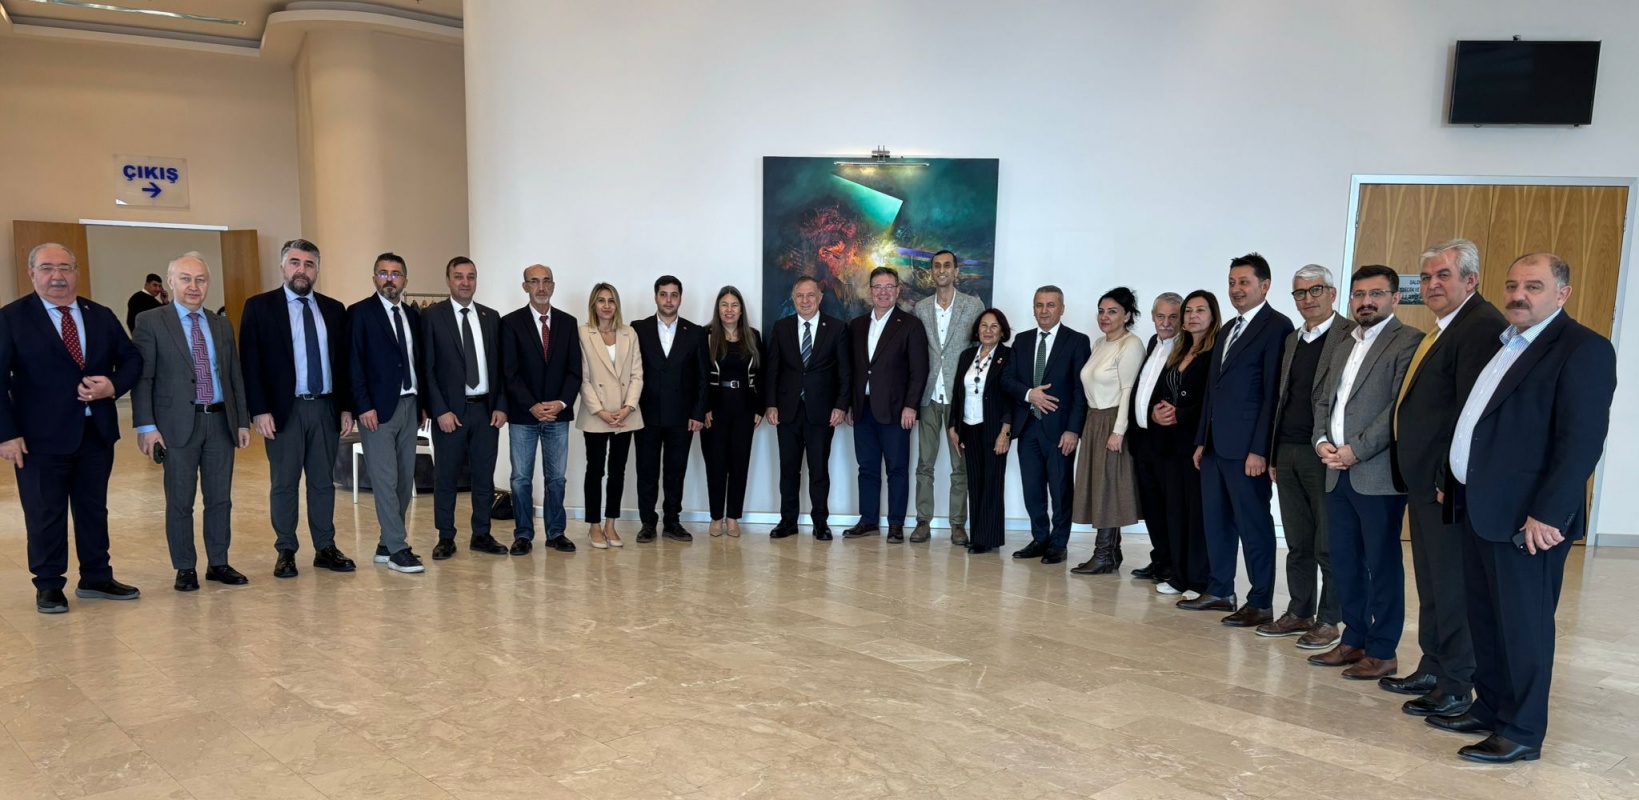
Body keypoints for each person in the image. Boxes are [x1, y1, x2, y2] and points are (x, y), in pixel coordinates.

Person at [1430, 253, 1615, 765]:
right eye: (1512, 285)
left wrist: (1549, 513)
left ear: (1562, 294)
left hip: (1527, 520)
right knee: (1486, 619)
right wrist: (1453, 478)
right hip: (1481, 508)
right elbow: (1477, 420)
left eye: (1533, 286)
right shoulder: (1506, 343)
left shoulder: (1583, 348)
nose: (1518, 295)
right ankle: (1490, 709)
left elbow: (1582, 441)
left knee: (1523, 627)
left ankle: (1522, 731)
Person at [1386, 239, 1506, 714]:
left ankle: (1457, 683)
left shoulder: (1480, 326)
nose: (1432, 284)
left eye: (1443, 275)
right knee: (1433, 582)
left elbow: (1468, 413)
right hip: (1422, 482)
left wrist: (1445, 478)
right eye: (1426, 277)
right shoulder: (1445, 327)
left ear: (1470, 280)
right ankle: (1433, 665)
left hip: (1445, 486)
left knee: (1453, 586)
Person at [0, 243, 143, 613]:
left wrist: (112, 385)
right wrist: (6, 433)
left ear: (77, 273)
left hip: (96, 434)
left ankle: (96, 577)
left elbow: (131, 359)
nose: (57, 276)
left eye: (65, 268)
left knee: (93, 509)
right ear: (32, 273)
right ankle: (49, 584)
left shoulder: (100, 315)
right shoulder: (12, 318)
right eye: (47, 268)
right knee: (45, 514)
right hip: (38, 439)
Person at [1305, 265, 1421, 680]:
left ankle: (1383, 650)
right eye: (1359, 294)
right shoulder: (1343, 343)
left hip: (1376, 475)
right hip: (1335, 471)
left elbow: (1398, 408)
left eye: (1376, 293)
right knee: (1345, 561)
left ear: (1395, 298)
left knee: (1381, 565)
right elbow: (1325, 401)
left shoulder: (1408, 341)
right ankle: (1353, 638)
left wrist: (1356, 450)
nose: (1366, 301)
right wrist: (1321, 442)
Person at [1182, 253, 1294, 625]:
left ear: (1265, 285)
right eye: (1232, 282)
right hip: (1215, 446)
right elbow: (1213, 390)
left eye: (1244, 282)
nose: (1236, 289)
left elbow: (1272, 394)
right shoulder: (1228, 327)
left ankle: (1260, 602)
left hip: (1247, 449)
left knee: (1253, 526)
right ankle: (1220, 590)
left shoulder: (1277, 326)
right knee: (1216, 522)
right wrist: (1202, 439)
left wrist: (1260, 449)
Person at [131, 252, 251, 592]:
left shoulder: (221, 324)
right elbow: (143, 378)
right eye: (185, 278)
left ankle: (218, 562)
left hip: (220, 422)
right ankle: (185, 567)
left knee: (220, 499)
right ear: (170, 282)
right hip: (176, 426)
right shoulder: (151, 321)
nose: (193, 286)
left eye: (200, 279)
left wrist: (242, 421)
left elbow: (234, 376)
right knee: (180, 500)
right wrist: (146, 427)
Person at [238, 238, 356, 579]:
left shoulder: (334, 309)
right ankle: (286, 549)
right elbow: (251, 363)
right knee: (285, 483)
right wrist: (259, 410)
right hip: (284, 411)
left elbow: (343, 363)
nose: (301, 270)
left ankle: (325, 547)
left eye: (308, 264)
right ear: (282, 267)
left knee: (322, 483)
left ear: (317, 270)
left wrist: (346, 407)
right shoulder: (259, 307)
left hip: (325, 409)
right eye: (294, 262)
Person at [1259, 265, 1355, 649]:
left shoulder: (1351, 335)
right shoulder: (1292, 339)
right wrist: (1273, 453)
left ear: (1332, 293)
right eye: (1300, 293)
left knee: (1327, 541)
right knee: (1298, 539)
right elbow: (1283, 398)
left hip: (1325, 452)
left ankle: (1330, 618)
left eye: (1316, 290)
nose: (1308, 298)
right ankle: (1299, 611)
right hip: (1287, 449)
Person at [420, 256, 511, 560]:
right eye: (458, 276)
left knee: (484, 477)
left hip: (486, 411)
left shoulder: (490, 316)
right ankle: (446, 537)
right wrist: (439, 411)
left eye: (471, 276)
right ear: (448, 280)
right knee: (446, 478)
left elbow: (500, 367)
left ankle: (481, 534)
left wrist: (501, 405)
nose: (465, 282)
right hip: (450, 413)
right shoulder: (432, 316)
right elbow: (427, 369)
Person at [348, 253, 426, 574]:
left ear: (405, 280)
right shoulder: (359, 313)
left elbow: (419, 361)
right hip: (377, 411)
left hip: (410, 405)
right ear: (374, 279)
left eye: (396, 274)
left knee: (404, 479)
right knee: (385, 479)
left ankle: (385, 543)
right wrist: (362, 405)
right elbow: (353, 363)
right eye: (383, 273)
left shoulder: (413, 315)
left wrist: (423, 404)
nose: (389, 279)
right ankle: (398, 548)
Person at [1002, 285, 1090, 565]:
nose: (1044, 310)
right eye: (1039, 305)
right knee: (1032, 490)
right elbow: (1007, 380)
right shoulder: (1023, 340)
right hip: (1027, 426)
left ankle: (1059, 543)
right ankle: (1040, 538)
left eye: (1051, 305)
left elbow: (1080, 390)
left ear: (1062, 309)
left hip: (1060, 430)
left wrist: (1074, 430)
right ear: (1033, 309)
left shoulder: (1077, 341)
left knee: (1061, 490)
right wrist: (1030, 394)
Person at [844, 267, 930, 543]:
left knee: (897, 469)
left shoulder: (910, 325)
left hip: (896, 411)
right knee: (867, 468)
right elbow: (851, 370)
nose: (883, 292)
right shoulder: (857, 325)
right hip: (863, 409)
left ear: (898, 290)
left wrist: (911, 406)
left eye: (888, 287)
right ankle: (868, 520)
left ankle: (895, 524)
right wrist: (849, 404)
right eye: (878, 287)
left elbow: (919, 370)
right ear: (870, 291)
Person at [502, 264, 582, 554]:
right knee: (521, 479)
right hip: (524, 415)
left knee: (557, 479)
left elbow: (575, 370)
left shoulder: (568, 323)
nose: (541, 287)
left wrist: (560, 403)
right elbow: (509, 372)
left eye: (546, 281)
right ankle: (523, 534)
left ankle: (556, 532)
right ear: (525, 286)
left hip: (558, 415)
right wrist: (532, 405)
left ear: (553, 285)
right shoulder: (510, 323)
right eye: (534, 281)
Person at [763, 276, 851, 540]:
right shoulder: (781, 327)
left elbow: (845, 372)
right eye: (800, 295)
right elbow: (772, 369)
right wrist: (770, 404)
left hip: (822, 412)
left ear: (820, 298)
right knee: (788, 469)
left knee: (819, 470)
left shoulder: (836, 328)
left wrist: (841, 405)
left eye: (810, 295)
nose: (805, 300)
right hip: (787, 411)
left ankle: (820, 523)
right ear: (793, 298)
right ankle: (787, 521)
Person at [1071, 287, 1146, 575]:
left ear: (1127, 316)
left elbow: (1128, 390)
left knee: (1109, 488)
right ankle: (1111, 554)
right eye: (1101, 311)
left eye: (1112, 311)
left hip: (1114, 420)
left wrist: (1118, 431)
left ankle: (1103, 554)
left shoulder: (1131, 344)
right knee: (1098, 486)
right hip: (1094, 420)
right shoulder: (1100, 343)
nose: (1104, 316)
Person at [631, 275, 710, 543]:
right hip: (646, 413)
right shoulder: (638, 329)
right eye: (663, 294)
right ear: (655, 297)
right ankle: (647, 523)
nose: (668, 300)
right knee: (647, 471)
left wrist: (698, 413)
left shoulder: (695, 332)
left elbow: (703, 376)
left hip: (681, 416)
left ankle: (672, 522)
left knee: (676, 471)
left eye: (673, 295)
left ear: (680, 298)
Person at [913, 250, 985, 544]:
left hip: (960, 397)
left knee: (960, 466)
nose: (941, 270)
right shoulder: (920, 308)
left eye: (947, 266)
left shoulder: (973, 306)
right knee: (924, 464)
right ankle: (923, 521)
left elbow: (981, 349)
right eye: (936, 266)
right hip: (929, 396)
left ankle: (958, 524)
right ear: (931, 272)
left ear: (956, 271)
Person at [1154, 290, 1219, 598]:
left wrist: (1180, 414)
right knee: (1175, 510)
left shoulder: (1215, 352)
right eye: (1189, 311)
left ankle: (1198, 580)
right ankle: (1179, 576)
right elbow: (1164, 391)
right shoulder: (1179, 351)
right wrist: (1157, 412)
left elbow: (1211, 400)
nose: (1193, 316)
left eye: (1200, 310)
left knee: (1196, 512)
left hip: (1196, 442)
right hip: (1170, 442)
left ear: (1212, 315)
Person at [575, 282, 643, 549]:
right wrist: (600, 411)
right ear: (593, 304)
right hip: (597, 414)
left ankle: (610, 523)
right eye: (601, 300)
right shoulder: (583, 333)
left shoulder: (629, 333)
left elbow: (637, 374)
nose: (606, 305)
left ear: (617, 305)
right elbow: (582, 378)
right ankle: (594, 525)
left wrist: (628, 407)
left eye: (611, 300)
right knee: (595, 470)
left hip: (625, 414)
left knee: (618, 471)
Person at [946, 309, 1014, 554]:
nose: (988, 330)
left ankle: (989, 538)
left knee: (992, 483)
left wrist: (1005, 431)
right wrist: (953, 426)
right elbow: (958, 392)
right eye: (984, 325)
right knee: (975, 482)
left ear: (1002, 332)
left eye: (994, 326)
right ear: (977, 330)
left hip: (994, 429)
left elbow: (1011, 397)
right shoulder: (967, 356)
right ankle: (977, 535)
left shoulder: (1008, 356)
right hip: (969, 427)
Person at [1125, 293, 1183, 584]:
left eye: (1173, 317)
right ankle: (1160, 558)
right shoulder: (1153, 343)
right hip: (1143, 440)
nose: (1166, 322)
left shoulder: (1186, 349)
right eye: (1161, 316)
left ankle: (1173, 565)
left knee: (1169, 507)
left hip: (1167, 443)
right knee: (1151, 506)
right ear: (1152, 317)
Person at [703, 286, 763, 537]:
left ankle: (733, 517)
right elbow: (698, 376)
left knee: (739, 463)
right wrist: (703, 408)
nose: (729, 310)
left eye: (734, 305)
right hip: (714, 409)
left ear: (741, 310)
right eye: (724, 305)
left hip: (744, 407)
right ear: (718, 308)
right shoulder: (706, 335)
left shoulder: (753, 336)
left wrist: (759, 407)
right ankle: (716, 516)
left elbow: (762, 373)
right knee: (716, 464)